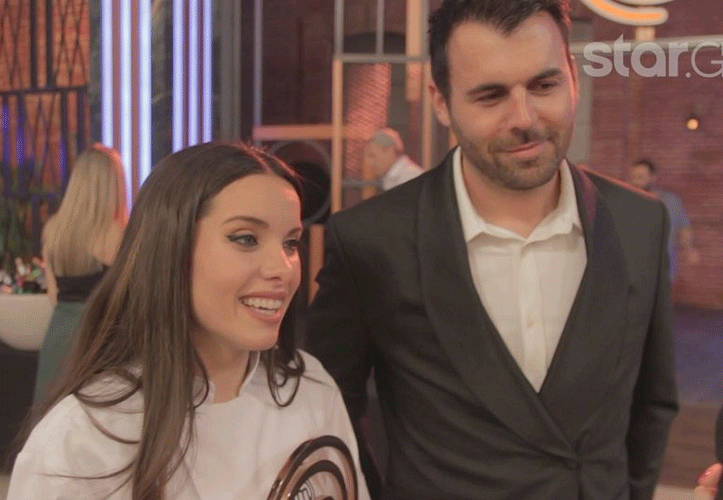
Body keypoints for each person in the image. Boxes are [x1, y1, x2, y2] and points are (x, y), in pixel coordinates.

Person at [306, 1, 678, 499]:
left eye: (543, 86)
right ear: (441, 101)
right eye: (491, 95)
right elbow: (329, 414)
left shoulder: (640, 223)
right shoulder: (372, 241)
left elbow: (653, 402)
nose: (523, 118)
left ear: (572, 76)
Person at [8, 143, 368, 499]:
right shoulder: (83, 440)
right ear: (169, 248)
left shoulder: (311, 388)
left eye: (290, 243)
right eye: (246, 238)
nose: (283, 269)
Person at [35, 144, 128, 399]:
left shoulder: (54, 230)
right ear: (115, 185)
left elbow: (54, 297)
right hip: (101, 341)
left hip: (59, 337)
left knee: (52, 415)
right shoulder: (120, 234)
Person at [628, 158, 700, 281]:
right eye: (633, 177)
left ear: (653, 178)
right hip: (633, 266)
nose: (636, 182)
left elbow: (683, 227)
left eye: (641, 177)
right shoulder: (626, 201)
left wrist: (689, 248)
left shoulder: (669, 201)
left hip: (662, 265)